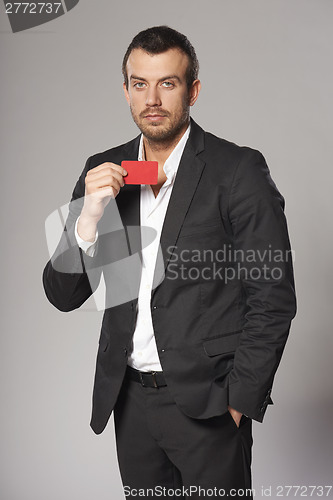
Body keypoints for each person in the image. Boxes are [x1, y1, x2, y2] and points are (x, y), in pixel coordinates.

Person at [43, 26, 296, 499]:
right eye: (140, 84)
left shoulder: (236, 170)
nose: (152, 99)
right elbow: (62, 294)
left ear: (193, 90)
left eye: (168, 83)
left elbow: (273, 298)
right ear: (126, 91)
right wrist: (88, 219)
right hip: (131, 404)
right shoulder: (104, 170)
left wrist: (238, 403)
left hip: (210, 408)